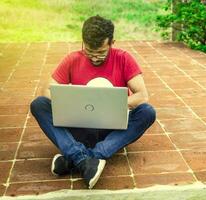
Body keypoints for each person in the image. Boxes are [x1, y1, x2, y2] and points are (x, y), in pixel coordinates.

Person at [30, 15, 156, 189]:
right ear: (83, 42)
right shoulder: (72, 59)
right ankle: (85, 159)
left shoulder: (124, 58)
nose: (95, 58)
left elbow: (142, 95)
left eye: (101, 53)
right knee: (38, 104)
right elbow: (46, 91)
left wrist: (113, 106)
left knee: (147, 112)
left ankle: (78, 157)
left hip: (112, 129)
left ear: (112, 42)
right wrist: (71, 103)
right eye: (89, 52)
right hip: (80, 126)